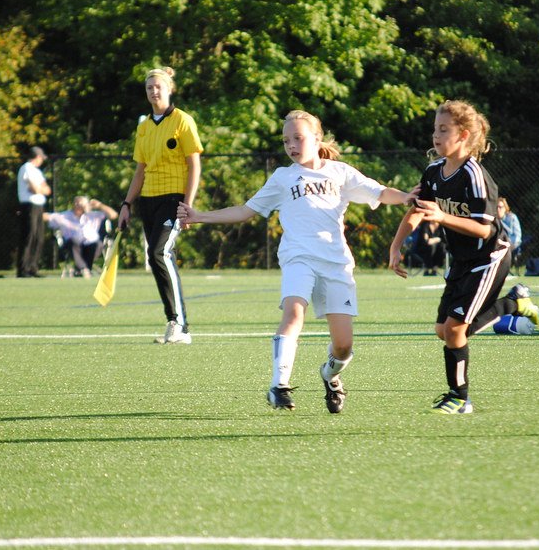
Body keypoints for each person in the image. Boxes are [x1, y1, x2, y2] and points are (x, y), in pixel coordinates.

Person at [177, 110, 416, 413]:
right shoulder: (282, 177)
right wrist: (199, 217)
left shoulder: (340, 172)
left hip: (336, 262)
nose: (291, 145)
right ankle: (279, 386)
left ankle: (330, 376)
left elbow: (381, 193)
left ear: (317, 139)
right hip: (298, 258)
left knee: (343, 347)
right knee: (293, 314)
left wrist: (407, 196)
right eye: (286, 140)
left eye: (298, 138)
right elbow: (245, 211)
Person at [387, 100, 539, 415]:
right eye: (434, 129)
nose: (436, 135)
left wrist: (442, 217)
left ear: (463, 136)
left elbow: (484, 229)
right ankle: (512, 304)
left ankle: (459, 398)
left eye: (444, 129)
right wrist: (396, 246)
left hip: (490, 257)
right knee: (444, 330)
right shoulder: (433, 171)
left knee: (456, 330)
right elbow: (419, 211)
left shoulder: (474, 175)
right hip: (462, 260)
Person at [119, 67, 203, 345]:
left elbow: (194, 165)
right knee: (159, 258)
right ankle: (176, 323)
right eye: (149, 88)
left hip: (173, 200)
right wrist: (126, 204)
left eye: (158, 86)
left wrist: (187, 205)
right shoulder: (144, 127)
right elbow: (140, 170)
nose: (154, 91)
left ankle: (179, 324)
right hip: (149, 201)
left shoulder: (182, 121)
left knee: (159, 253)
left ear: (169, 89)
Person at [44, 196, 119, 278]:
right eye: (75, 203)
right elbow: (47, 217)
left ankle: (82, 269)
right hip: (74, 245)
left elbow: (113, 215)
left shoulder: (94, 215)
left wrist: (100, 205)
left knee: (97, 244)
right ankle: (83, 269)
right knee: (72, 242)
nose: (77, 206)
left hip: (91, 243)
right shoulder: (65, 216)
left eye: (80, 204)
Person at [16, 146, 51, 278]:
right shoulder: (27, 168)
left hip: (38, 206)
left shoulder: (37, 171)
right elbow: (36, 189)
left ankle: (33, 268)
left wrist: (40, 188)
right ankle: (23, 269)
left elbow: (47, 190)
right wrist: (39, 188)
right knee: (28, 237)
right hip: (29, 206)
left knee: (38, 237)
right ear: (37, 157)